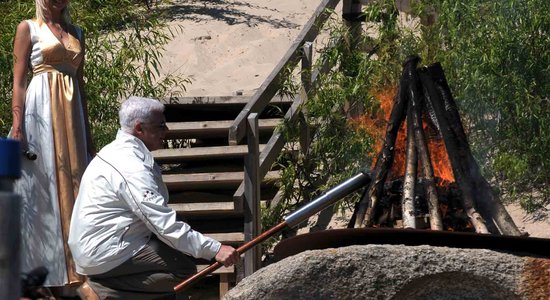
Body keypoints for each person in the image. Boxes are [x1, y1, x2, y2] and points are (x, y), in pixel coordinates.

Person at [68, 96, 240, 299]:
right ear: (140, 129)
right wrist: (215, 249)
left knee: (176, 248)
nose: (166, 131)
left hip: (105, 244)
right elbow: (161, 222)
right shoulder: (131, 166)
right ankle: (101, 291)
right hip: (105, 250)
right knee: (182, 271)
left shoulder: (118, 151)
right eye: (160, 126)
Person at [10, 0, 94, 288]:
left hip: (72, 114)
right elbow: (18, 82)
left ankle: (76, 267)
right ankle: (41, 270)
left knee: (76, 183)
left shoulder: (78, 32)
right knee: (42, 184)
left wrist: (88, 131)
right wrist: (18, 126)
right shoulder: (28, 28)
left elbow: (80, 84)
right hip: (41, 108)